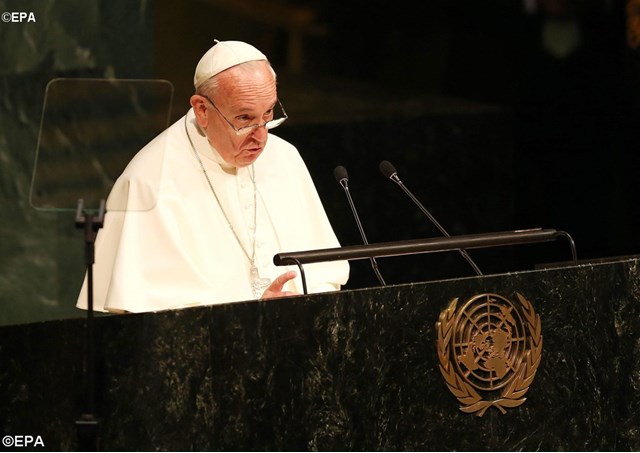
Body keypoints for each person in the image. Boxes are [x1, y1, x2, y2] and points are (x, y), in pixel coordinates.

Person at [76, 40, 349, 313]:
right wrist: (255, 315)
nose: (262, 137)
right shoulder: (150, 178)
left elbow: (324, 276)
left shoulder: (284, 157)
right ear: (202, 110)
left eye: (268, 114)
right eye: (244, 118)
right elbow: (153, 319)